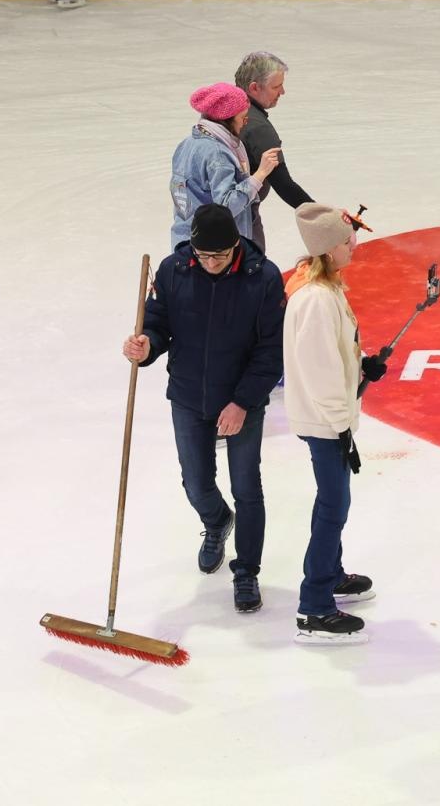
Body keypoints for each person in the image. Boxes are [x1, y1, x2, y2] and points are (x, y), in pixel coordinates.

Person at [122, 205, 284, 612]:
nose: (211, 264)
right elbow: (158, 324)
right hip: (189, 395)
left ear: (235, 246)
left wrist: (242, 402)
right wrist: (146, 347)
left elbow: (271, 351)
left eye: (221, 256)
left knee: (247, 488)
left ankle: (246, 571)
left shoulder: (262, 277)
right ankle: (215, 522)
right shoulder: (173, 270)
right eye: (204, 256)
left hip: (240, 401)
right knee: (195, 482)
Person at [284, 203, 385, 644]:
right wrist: (341, 424)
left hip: (330, 418)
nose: (354, 245)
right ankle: (314, 607)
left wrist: (364, 365)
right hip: (326, 421)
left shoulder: (329, 289)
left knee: (333, 504)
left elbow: (338, 354)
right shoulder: (316, 300)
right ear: (328, 248)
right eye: (347, 240)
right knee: (333, 507)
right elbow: (319, 369)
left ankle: (331, 574)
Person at [170, 82, 282, 249]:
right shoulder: (218, 153)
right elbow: (226, 206)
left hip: (185, 242)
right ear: (226, 119)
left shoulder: (186, 144)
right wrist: (260, 174)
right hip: (215, 253)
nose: (245, 122)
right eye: (243, 117)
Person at [235, 52, 312, 253]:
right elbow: (284, 185)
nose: (282, 92)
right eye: (276, 87)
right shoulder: (258, 127)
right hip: (240, 219)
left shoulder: (226, 113)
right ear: (254, 88)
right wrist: (323, 215)